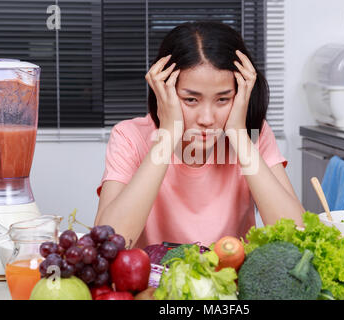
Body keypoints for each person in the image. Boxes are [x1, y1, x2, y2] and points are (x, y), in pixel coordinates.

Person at [95, 21, 305, 248]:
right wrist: (168, 135)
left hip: (230, 281)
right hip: (152, 283)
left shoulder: (254, 135)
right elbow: (108, 244)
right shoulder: (129, 136)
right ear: (163, 90)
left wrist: (238, 135)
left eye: (223, 99)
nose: (206, 118)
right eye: (191, 100)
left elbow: (297, 237)